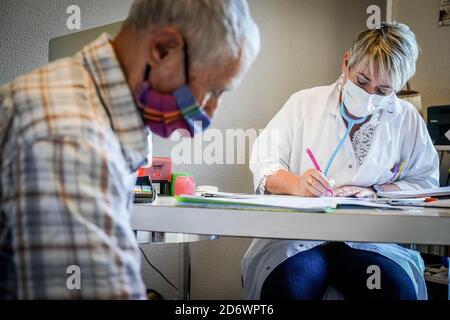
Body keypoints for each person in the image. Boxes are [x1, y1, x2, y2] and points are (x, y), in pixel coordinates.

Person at [0, 0, 260, 299]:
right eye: (214, 90)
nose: (211, 111)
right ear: (162, 49)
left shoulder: (85, 100)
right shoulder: (72, 141)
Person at [242, 22, 438, 300]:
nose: (369, 95)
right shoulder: (303, 104)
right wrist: (297, 184)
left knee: (394, 290)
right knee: (289, 288)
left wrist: (376, 192)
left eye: (383, 90)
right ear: (346, 62)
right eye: (361, 81)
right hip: (300, 240)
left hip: (371, 242)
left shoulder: (406, 120)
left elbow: (425, 183)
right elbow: (265, 164)